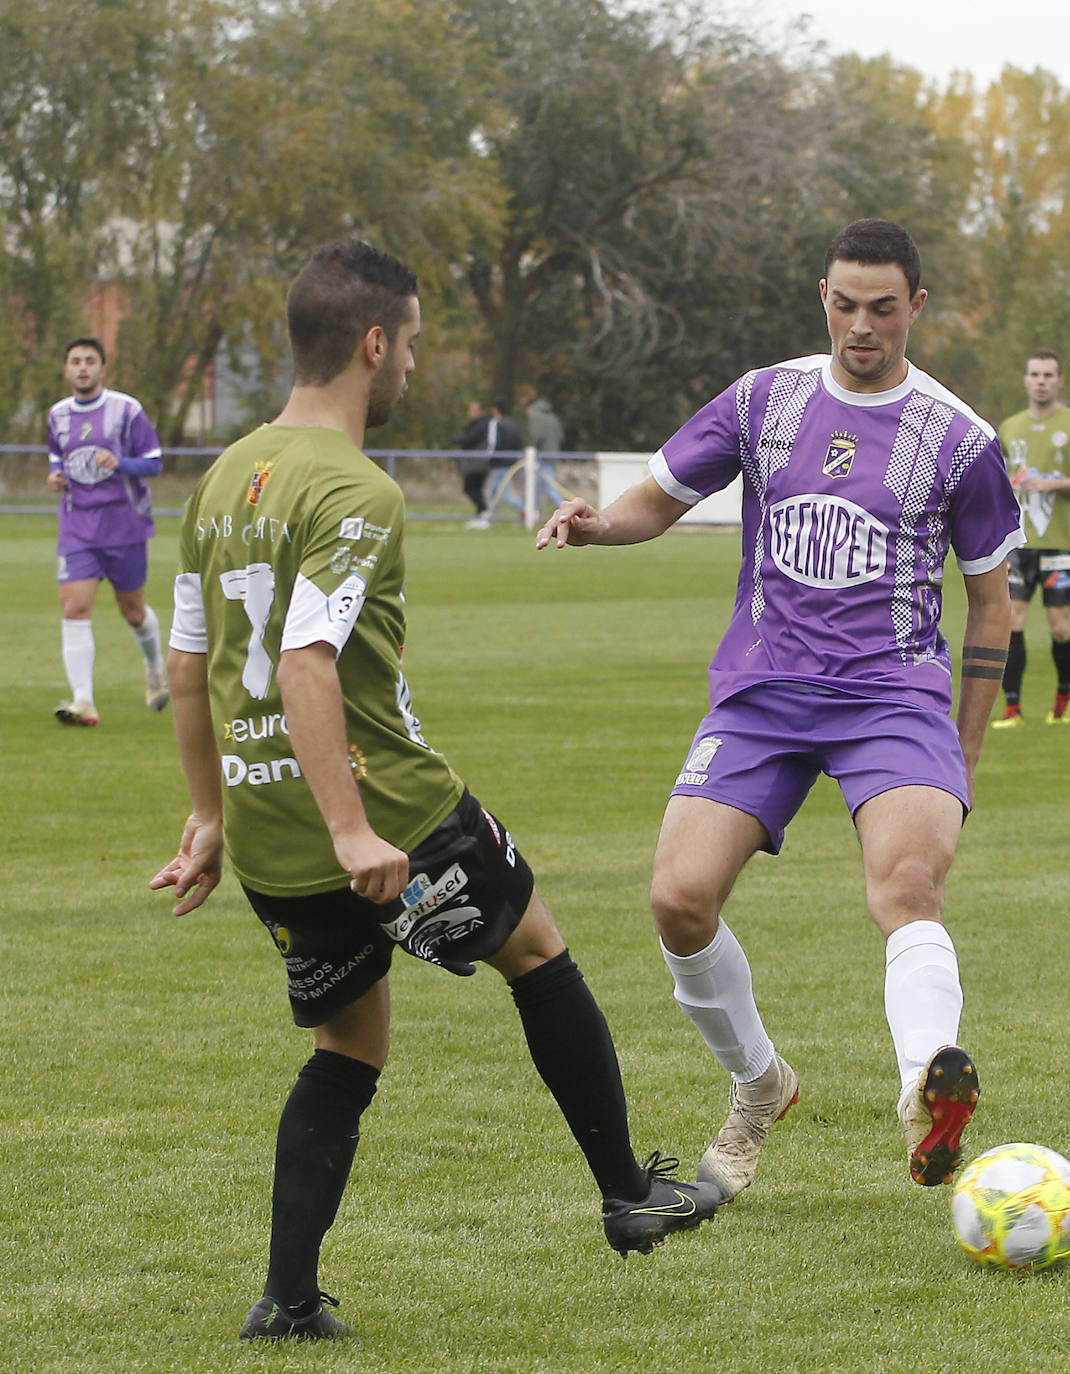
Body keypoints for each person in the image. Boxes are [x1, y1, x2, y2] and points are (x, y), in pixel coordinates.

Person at [150, 240, 720, 1343]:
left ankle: (288, 1300)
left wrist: (212, 816)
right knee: (537, 952)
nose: (413, 361)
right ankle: (627, 1195)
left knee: (348, 1045)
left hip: (266, 832)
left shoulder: (220, 479)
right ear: (374, 343)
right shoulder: (355, 488)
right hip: (386, 815)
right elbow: (303, 661)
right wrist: (351, 827)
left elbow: (187, 667)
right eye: (410, 341)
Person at [536, 219, 1023, 1202]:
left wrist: (960, 750)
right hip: (763, 690)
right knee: (677, 900)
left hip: (890, 697)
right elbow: (657, 499)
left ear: (916, 307)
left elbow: (991, 605)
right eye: (844, 305)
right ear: (822, 299)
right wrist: (596, 526)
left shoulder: (958, 440)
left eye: (881, 308)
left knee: (907, 886)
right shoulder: (765, 399)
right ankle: (760, 1084)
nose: (860, 326)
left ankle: (924, 1085)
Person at [46, 336, 169, 725]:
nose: (82, 367)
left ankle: (155, 669)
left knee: (133, 612)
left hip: (124, 526)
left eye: (90, 360)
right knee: (74, 608)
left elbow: (154, 463)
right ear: (66, 370)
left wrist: (121, 463)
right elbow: (57, 458)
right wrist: (55, 477)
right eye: (75, 361)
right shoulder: (57, 415)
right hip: (77, 527)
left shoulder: (127, 410)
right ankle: (83, 702)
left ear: (103, 368)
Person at [994, 350, 1070, 728]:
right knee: (1012, 620)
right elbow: (996, 479)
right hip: (1018, 543)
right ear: (1025, 380)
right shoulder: (1009, 428)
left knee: (1060, 626)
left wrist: (1050, 484)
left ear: (1059, 381)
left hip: (1060, 543)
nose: (1040, 381)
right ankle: (1012, 708)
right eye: (1034, 374)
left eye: (1047, 375)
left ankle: (1063, 697)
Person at [451, 398, 492, 528]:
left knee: (471, 489)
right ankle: (481, 516)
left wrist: (456, 439)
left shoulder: (482, 424)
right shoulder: (479, 424)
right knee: (474, 489)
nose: (470, 413)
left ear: (481, 411)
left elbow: (470, 439)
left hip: (477, 463)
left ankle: (484, 515)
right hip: (475, 462)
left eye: (473, 410)